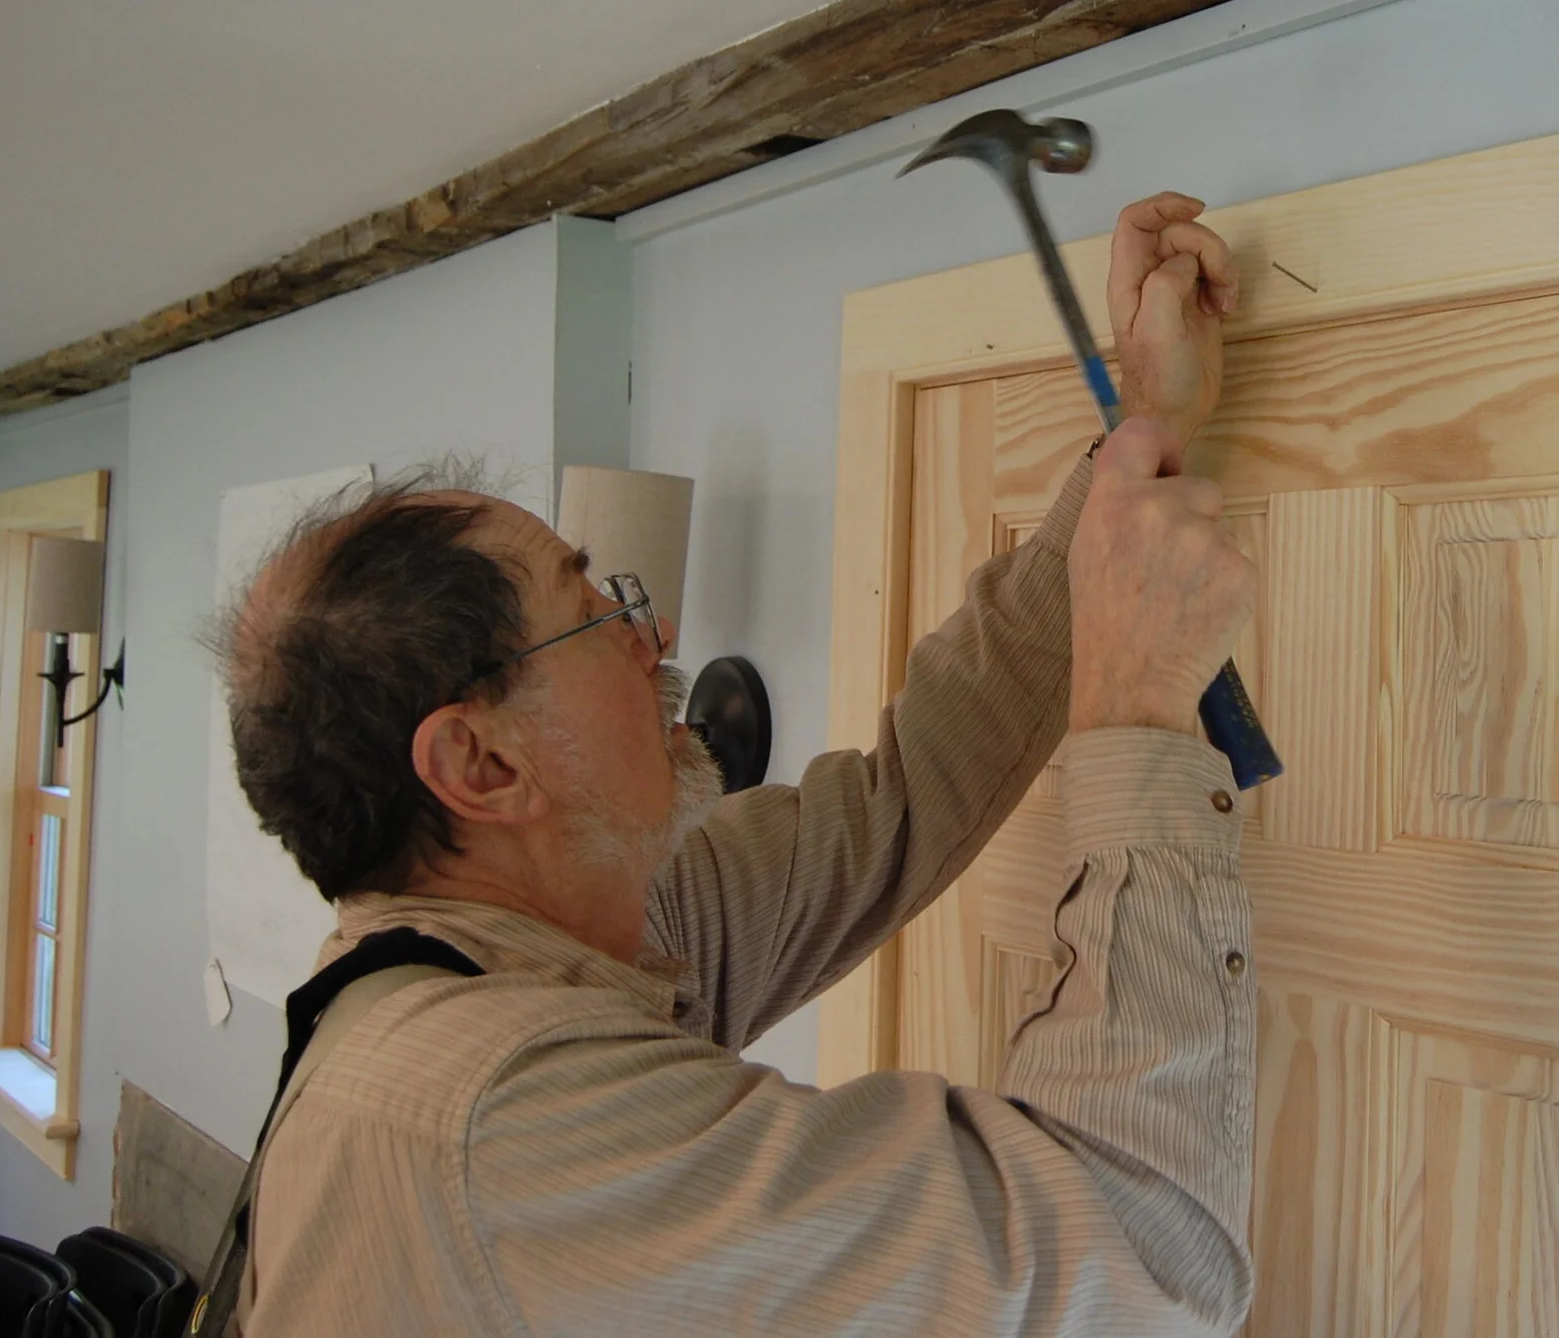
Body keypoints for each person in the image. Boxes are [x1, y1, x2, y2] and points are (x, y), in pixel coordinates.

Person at [211, 194, 1259, 1335]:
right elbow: (1131, 1260)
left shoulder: (559, 945)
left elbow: (906, 797)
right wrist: (1137, 715)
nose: (653, 641)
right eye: (592, 610)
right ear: (480, 762)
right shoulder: (500, 1119)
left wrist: (1136, 439)